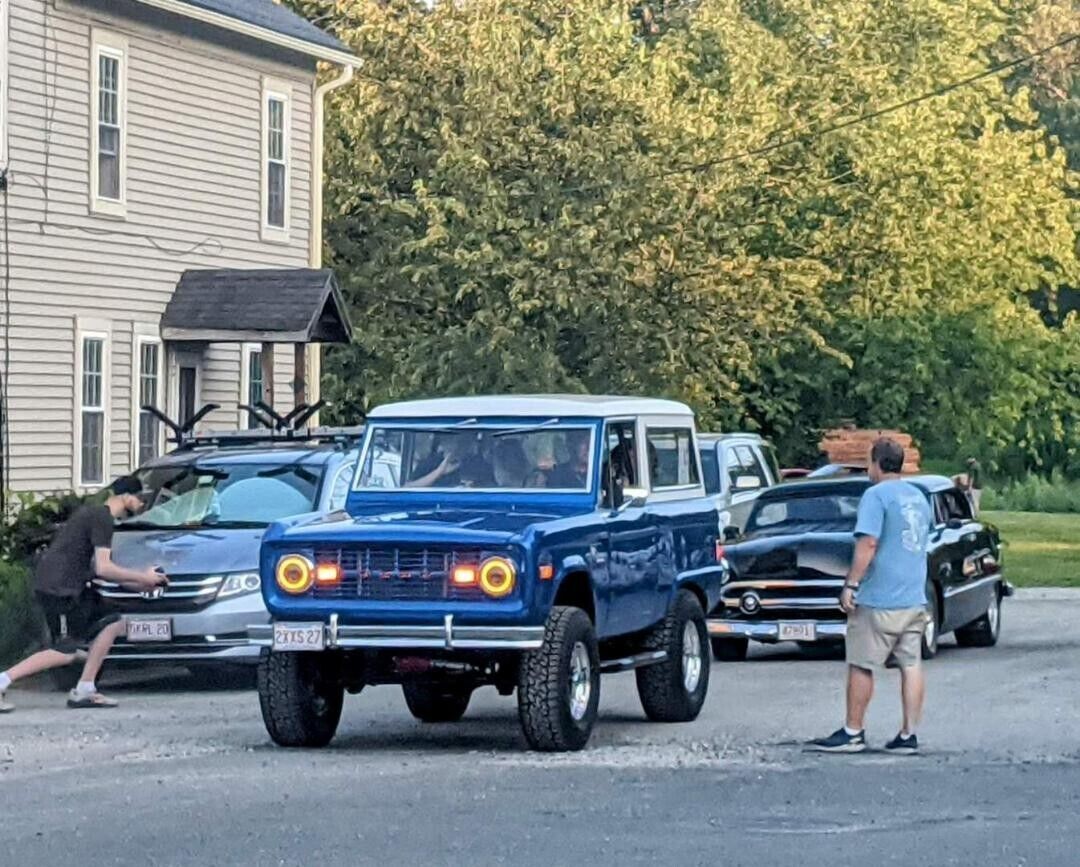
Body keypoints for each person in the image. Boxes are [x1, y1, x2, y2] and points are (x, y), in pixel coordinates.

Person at [0, 476, 169, 712]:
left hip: (73, 586)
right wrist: (144, 577)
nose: (142, 505)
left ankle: (86, 688)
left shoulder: (93, 515)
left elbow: (94, 569)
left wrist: (139, 585)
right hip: (59, 589)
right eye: (140, 499)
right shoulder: (103, 518)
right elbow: (104, 568)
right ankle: (3, 680)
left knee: (111, 622)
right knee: (66, 650)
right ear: (126, 497)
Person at [809, 437, 932, 754]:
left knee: (861, 663)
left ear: (876, 463)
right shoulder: (918, 496)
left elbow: (869, 544)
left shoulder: (876, 496)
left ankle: (853, 730)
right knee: (911, 664)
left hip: (880, 597)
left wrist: (851, 584)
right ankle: (909, 734)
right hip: (914, 596)